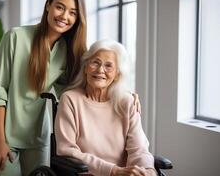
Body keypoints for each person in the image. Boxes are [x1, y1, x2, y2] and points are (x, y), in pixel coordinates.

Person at [0, 0, 87, 176]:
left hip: (37, 135)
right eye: (60, 7)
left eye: (73, 13)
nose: (64, 16)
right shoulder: (15, 37)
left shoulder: (67, 51)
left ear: (77, 19)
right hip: (0, 133)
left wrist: (123, 95)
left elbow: (77, 89)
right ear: (48, 6)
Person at [54, 39, 157, 176]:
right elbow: (67, 150)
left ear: (116, 75)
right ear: (85, 67)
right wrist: (113, 171)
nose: (100, 70)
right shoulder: (70, 99)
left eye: (109, 66)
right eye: (95, 62)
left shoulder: (127, 102)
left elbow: (139, 149)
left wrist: (147, 170)